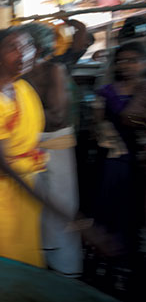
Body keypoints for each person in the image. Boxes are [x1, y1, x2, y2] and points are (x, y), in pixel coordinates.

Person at [0, 28, 67, 267]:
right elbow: (5, 164)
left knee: (26, 258)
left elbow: (38, 130)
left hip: (23, 185)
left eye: (28, 46)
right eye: (13, 47)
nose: (24, 53)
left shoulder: (23, 89)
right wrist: (59, 210)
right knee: (3, 263)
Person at [21, 22, 83, 278]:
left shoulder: (53, 69)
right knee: (36, 208)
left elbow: (57, 115)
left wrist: (18, 120)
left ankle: (67, 270)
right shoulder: (21, 74)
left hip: (55, 147)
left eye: (23, 46)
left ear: (36, 48)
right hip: (30, 147)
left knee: (60, 207)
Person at [91, 41, 146, 295]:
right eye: (122, 60)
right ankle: (106, 269)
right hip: (114, 163)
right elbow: (112, 125)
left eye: (133, 60)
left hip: (137, 164)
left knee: (134, 219)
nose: (127, 65)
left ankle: (129, 270)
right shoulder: (106, 93)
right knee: (110, 213)